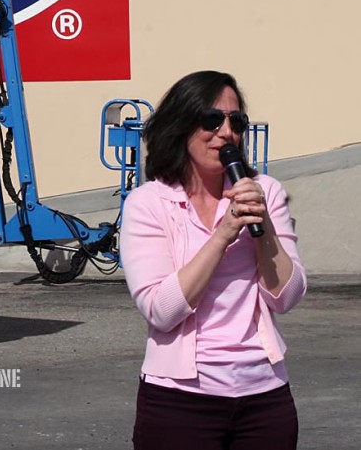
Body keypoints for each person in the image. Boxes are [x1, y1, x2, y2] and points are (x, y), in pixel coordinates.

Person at [120, 71, 306, 449]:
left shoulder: (265, 192)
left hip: (264, 397)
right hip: (179, 402)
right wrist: (223, 235)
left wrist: (264, 224)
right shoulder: (147, 204)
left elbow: (287, 297)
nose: (226, 133)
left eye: (236, 122)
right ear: (181, 125)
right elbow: (161, 310)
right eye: (211, 120)